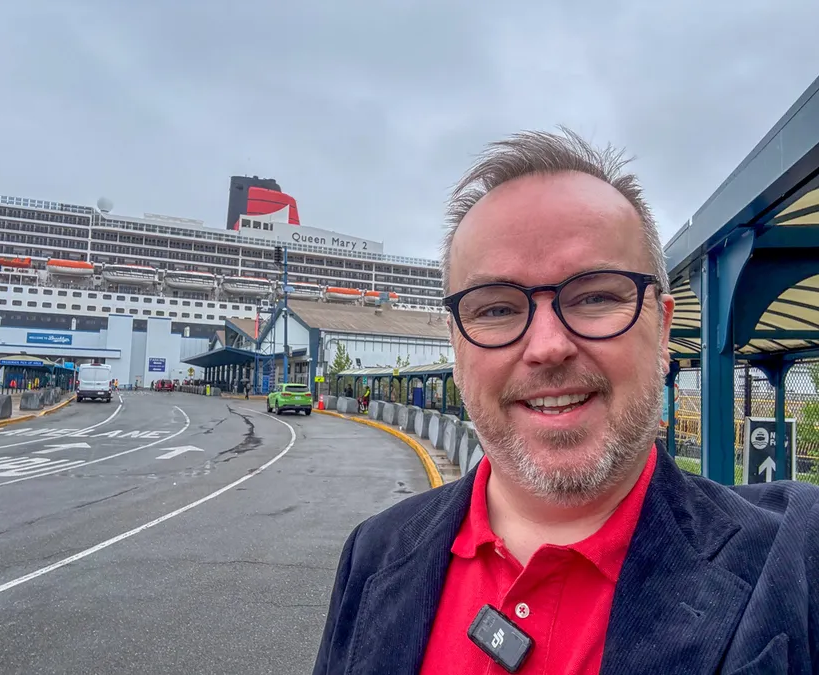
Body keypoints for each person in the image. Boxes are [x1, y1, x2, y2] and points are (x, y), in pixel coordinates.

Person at [312, 129, 819, 675]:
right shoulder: (374, 554)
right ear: (458, 350)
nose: (548, 346)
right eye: (496, 309)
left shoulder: (794, 556)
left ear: (663, 328)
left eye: (596, 295)